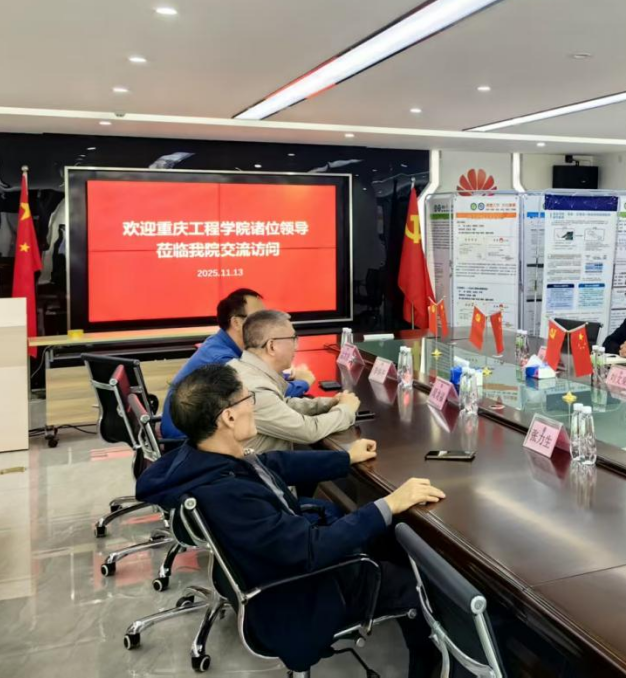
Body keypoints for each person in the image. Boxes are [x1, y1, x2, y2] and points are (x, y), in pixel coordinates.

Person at [136, 365, 444, 677]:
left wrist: (345, 458)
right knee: (420, 586)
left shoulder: (205, 458)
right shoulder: (226, 494)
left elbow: (272, 464)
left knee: (385, 535)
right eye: (248, 399)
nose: (253, 405)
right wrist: (389, 503)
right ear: (228, 417)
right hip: (300, 596)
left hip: (283, 564)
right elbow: (311, 549)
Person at [159, 288, 312, 439]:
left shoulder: (219, 343)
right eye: (257, 316)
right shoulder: (222, 360)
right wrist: (304, 382)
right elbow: (261, 396)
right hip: (186, 442)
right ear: (236, 322)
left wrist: (285, 377)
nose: (266, 322)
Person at [229, 309, 360, 454]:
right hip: (257, 468)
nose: (296, 346)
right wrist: (346, 410)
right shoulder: (254, 389)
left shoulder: (240, 368)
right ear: (272, 346)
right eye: (293, 339)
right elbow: (308, 431)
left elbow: (281, 405)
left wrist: (326, 404)